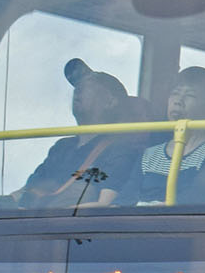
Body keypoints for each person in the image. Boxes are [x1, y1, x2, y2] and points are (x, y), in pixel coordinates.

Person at [13, 59, 143, 208]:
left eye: (89, 86)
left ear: (110, 102)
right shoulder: (62, 146)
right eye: (77, 88)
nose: (77, 90)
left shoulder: (120, 149)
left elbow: (103, 205)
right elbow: (27, 191)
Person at [125, 65, 205, 204]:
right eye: (175, 93)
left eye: (190, 95)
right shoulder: (150, 154)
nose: (178, 101)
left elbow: (200, 200)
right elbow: (125, 199)